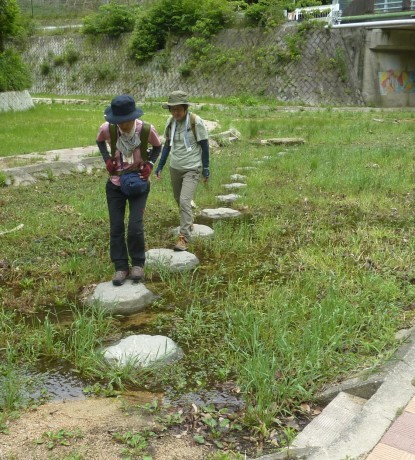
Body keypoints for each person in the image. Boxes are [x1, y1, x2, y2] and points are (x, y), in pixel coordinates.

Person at [96, 95, 161, 286]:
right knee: (116, 227)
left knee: (135, 227)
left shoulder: (146, 130)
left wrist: (149, 163)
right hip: (115, 184)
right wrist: (107, 159)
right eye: (119, 122)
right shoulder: (107, 129)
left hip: (138, 183)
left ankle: (138, 264)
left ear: (134, 117)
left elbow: (158, 147)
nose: (123, 126)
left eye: (126, 122)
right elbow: (100, 141)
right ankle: (121, 267)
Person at [155, 90, 210, 251]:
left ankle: (184, 238)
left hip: (192, 167)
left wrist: (206, 168)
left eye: (178, 109)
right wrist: (160, 166)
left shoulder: (195, 121)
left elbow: (205, 146)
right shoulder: (170, 122)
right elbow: (167, 145)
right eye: (172, 109)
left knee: (185, 201)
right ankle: (189, 221)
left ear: (185, 108)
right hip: (175, 167)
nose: (175, 112)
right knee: (178, 200)